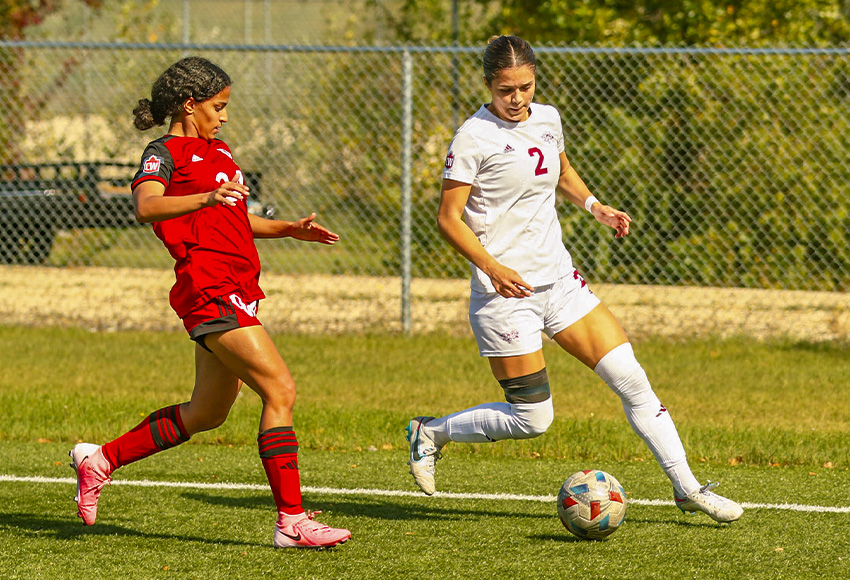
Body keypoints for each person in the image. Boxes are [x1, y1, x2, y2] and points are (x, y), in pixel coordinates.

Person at [405, 36, 743, 524]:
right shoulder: (472, 138)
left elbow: (561, 171)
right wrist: (493, 267)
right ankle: (431, 433)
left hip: (560, 281)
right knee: (533, 418)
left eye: (525, 86)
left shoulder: (548, 118)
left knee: (632, 380)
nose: (517, 98)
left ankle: (689, 488)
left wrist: (594, 206)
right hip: (506, 296)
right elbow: (448, 218)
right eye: (506, 90)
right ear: (488, 85)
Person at [68, 56, 351, 548]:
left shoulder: (219, 152)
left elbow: (234, 217)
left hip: (239, 288)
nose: (224, 116)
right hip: (208, 288)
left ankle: (101, 460)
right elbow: (146, 205)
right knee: (280, 391)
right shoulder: (162, 152)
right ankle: (292, 521)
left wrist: (287, 229)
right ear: (189, 104)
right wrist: (203, 198)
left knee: (206, 414)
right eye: (218, 106)